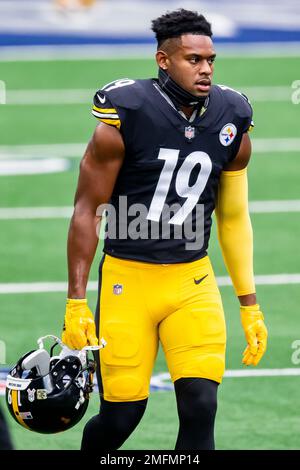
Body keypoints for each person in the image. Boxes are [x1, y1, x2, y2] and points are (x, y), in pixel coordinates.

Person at [62, 9, 268, 450]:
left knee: (200, 405)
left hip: (192, 280)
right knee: (120, 418)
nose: (206, 68)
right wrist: (76, 300)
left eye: (211, 59)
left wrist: (249, 304)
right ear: (163, 59)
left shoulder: (233, 116)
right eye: (193, 59)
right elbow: (86, 210)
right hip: (127, 282)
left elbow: (232, 218)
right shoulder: (127, 113)